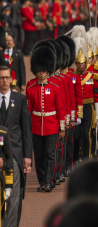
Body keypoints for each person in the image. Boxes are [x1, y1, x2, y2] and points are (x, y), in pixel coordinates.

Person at [26, 45, 66, 192]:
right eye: (39, 70)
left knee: (50, 155)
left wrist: (61, 127)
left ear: (48, 70)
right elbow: (28, 110)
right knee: (39, 157)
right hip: (36, 126)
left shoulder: (55, 87)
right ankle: (42, 181)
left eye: (43, 70)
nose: (41, 72)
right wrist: (27, 128)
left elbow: (60, 108)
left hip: (51, 126)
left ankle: (48, 182)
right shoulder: (30, 87)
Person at [0, 65, 31, 227]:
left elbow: (26, 129)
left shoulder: (20, 99)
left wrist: (27, 157)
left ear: (11, 79)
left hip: (14, 156)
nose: (4, 81)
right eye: (1, 78)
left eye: (6, 77)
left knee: (12, 197)